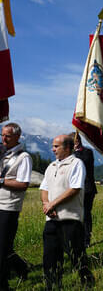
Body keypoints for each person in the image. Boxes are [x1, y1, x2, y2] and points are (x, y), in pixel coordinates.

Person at [40, 135, 94, 290]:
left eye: (56, 146)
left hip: (70, 218)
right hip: (51, 219)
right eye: (53, 146)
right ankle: (53, 286)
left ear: (67, 148)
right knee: (50, 256)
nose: (53, 149)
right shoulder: (51, 166)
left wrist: (53, 204)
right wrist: (46, 204)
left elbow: (75, 189)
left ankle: (87, 282)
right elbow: (44, 188)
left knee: (76, 255)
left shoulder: (76, 163)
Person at [0, 123, 32, 290]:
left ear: (17, 137)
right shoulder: (2, 153)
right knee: (4, 246)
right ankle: (21, 267)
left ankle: (3, 284)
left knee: (2, 248)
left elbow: (23, 184)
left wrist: (1, 181)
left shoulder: (23, 157)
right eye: (2, 135)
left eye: (7, 136)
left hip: (9, 206)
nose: (3, 139)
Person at [69, 133, 97, 248]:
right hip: (73, 188)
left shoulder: (87, 152)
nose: (75, 143)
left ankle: (87, 239)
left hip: (87, 188)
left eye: (76, 140)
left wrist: (74, 153)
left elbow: (83, 163)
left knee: (86, 214)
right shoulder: (70, 153)